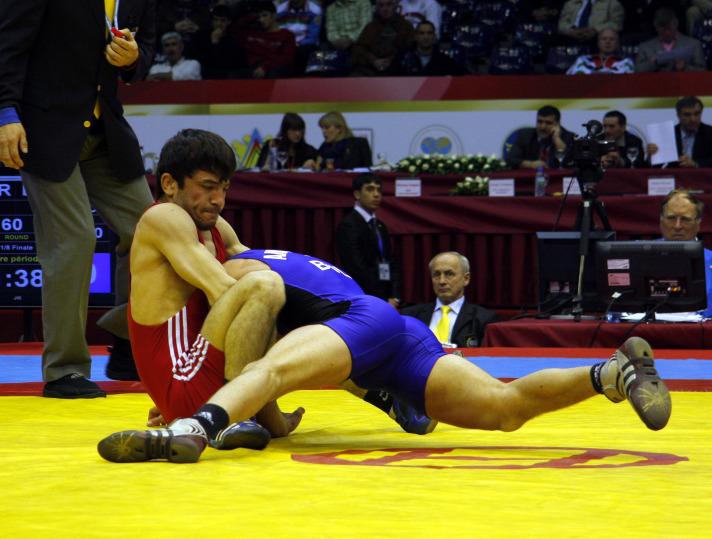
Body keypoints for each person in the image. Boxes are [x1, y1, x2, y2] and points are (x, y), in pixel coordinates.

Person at [97, 251, 672, 463]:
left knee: (264, 371)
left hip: (358, 324)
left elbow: (256, 362)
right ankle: (613, 372)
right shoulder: (264, 259)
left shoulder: (237, 273)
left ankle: (192, 431)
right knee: (503, 408)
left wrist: (194, 403)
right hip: (391, 333)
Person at [118, 129, 430, 448]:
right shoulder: (164, 216)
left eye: (224, 188)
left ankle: (385, 397)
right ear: (170, 184)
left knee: (296, 315)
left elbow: (266, 266)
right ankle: (233, 415)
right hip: (184, 377)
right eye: (208, 187)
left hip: (207, 370)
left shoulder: (213, 225)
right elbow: (225, 290)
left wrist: (327, 320)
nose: (219, 200)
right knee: (263, 288)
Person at [0, 0, 156, 396]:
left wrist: (134, 59)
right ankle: (64, 370)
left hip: (106, 130)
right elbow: (7, 44)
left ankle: (128, 342)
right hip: (44, 128)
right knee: (74, 239)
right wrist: (5, 112)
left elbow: (146, 51)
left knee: (155, 232)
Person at [401, 252, 497, 348]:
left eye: (449, 274)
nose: (442, 281)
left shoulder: (483, 319)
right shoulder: (409, 316)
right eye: (436, 274)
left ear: (466, 279)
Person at [336, 173, 400, 306]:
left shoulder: (380, 225)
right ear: (357, 194)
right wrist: (383, 299)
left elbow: (390, 261)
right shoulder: (349, 225)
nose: (376, 194)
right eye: (370, 189)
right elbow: (357, 268)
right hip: (364, 297)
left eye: (379, 190)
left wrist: (394, 296)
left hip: (386, 299)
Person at [659, 189, 712, 318]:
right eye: (671, 218)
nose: (677, 226)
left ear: (698, 223)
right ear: (661, 220)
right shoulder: (637, 257)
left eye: (685, 219)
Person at [351, 0, 415, 76]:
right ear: (377, 8)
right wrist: (373, 60)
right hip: (371, 68)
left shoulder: (406, 26)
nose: (385, 9)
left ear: (396, 6)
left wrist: (391, 60)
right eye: (381, 5)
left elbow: (410, 48)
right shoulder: (370, 27)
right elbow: (359, 48)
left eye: (389, 4)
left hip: (397, 67)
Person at [648, 96, 712, 168]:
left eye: (697, 114)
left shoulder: (710, 133)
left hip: (702, 175)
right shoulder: (667, 135)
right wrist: (652, 157)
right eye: (687, 115)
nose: (693, 119)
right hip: (674, 175)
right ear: (678, 115)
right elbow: (657, 167)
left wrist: (695, 164)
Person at [238, 1, 297, 79]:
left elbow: (287, 59)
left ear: (274, 16)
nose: (261, 20)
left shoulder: (287, 35)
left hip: (272, 69)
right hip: (252, 70)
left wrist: (265, 66)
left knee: (274, 73)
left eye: (264, 15)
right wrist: (252, 17)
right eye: (258, 17)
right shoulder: (252, 33)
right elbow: (233, 29)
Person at [635, 8, 706, 72]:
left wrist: (685, 67)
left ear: (676, 24)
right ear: (656, 27)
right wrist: (652, 63)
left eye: (669, 29)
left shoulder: (694, 45)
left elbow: (703, 72)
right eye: (663, 30)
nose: (667, 33)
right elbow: (636, 71)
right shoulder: (645, 48)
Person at [505, 105, 575, 169]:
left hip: (559, 178)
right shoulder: (526, 135)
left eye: (548, 123)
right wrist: (531, 164)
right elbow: (511, 159)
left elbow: (569, 161)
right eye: (539, 121)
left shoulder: (569, 137)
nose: (543, 127)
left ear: (558, 123)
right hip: (531, 177)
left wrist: (557, 139)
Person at [398, 21, 465, 76]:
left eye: (429, 33)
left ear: (434, 37)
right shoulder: (402, 59)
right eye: (422, 33)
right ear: (416, 37)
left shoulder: (445, 61)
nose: (426, 37)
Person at [566, 28, 634, 74]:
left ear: (617, 44)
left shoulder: (626, 63)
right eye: (604, 39)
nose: (608, 42)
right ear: (598, 43)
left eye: (612, 39)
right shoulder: (583, 60)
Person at [557, 0, 624, 45]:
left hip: (597, 40)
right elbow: (561, 24)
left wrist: (595, 30)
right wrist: (572, 31)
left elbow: (617, 24)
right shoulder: (571, 3)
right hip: (570, 39)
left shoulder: (612, 3)